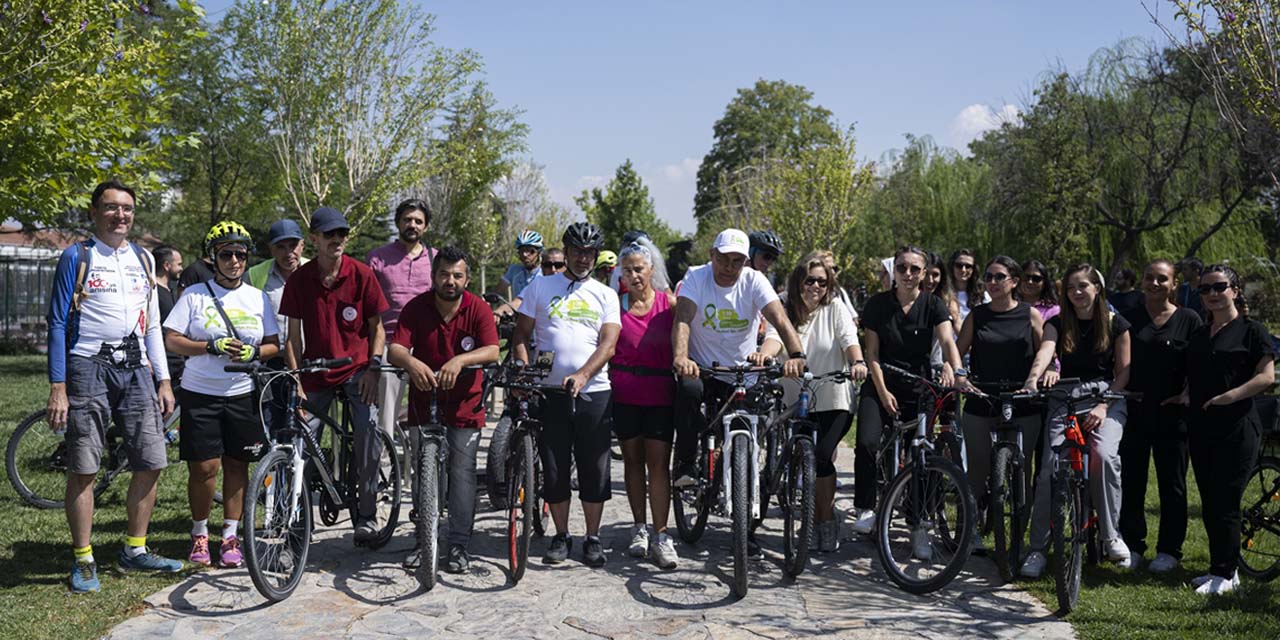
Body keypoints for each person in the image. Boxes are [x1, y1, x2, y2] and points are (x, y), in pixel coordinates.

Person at [46, 179, 180, 593]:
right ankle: (84, 559)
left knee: (152, 459)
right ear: (94, 212)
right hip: (88, 365)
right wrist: (58, 385)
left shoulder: (142, 259)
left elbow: (153, 324)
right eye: (111, 207)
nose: (120, 215)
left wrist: (163, 377)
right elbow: (55, 322)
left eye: (127, 208)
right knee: (84, 465)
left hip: (137, 366)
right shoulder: (77, 256)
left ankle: (135, 550)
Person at [671, 229, 808, 556]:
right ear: (712, 255)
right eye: (723, 259)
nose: (728, 267)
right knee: (688, 391)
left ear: (745, 262)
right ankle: (688, 464)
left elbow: (779, 318)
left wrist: (797, 354)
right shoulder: (696, 277)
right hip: (705, 369)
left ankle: (745, 526)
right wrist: (681, 357)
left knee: (749, 443)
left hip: (742, 375)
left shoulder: (754, 281)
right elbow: (684, 318)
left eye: (736, 261)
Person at [162, 222, 280, 568]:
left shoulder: (256, 298)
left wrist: (254, 353)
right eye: (226, 254)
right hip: (201, 392)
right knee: (203, 467)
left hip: (242, 393)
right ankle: (200, 533)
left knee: (236, 464)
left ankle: (230, 535)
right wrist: (207, 346)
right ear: (213, 258)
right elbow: (171, 338)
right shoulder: (195, 295)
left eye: (240, 255)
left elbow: (274, 344)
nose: (233, 261)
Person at [511, 222, 621, 567]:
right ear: (567, 251)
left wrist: (584, 374)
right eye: (577, 252)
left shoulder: (605, 294)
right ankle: (561, 534)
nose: (583, 258)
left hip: (594, 392)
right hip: (549, 391)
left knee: (594, 467)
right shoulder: (541, 286)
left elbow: (609, 343)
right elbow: (520, 335)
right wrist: (524, 369)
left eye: (589, 253)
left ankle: (592, 537)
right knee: (555, 467)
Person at [279, 206, 390, 543]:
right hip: (315, 371)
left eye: (342, 234)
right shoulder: (300, 279)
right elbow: (292, 337)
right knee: (297, 443)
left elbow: (378, 328)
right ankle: (294, 528)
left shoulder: (362, 274)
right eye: (329, 235)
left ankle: (367, 516)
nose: (337, 240)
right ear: (313, 239)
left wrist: (373, 366)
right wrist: (295, 379)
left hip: (357, 370)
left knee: (368, 434)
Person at [387, 246, 500, 574]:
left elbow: (493, 351)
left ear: (465, 278)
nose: (450, 281)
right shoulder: (416, 307)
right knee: (424, 470)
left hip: (465, 403)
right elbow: (395, 349)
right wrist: (411, 362)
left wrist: (461, 360)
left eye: (457, 275)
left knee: (462, 474)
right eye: (444, 274)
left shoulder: (478, 308)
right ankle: (425, 541)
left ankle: (460, 542)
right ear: (434, 276)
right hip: (425, 402)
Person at [1021, 264, 1132, 578]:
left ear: (1097, 288)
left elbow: (1124, 372)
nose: (1077, 292)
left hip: (1106, 397)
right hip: (1066, 396)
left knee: (1104, 456)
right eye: (1071, 287)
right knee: (1049, 470)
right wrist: (1033, 379)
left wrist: (1104, 405)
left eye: (1083, 286)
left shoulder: (1116, 323)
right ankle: (1038, 549)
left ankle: (1111, 536)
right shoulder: (1057, 322)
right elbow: (1045, 351)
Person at [852, 246, 965, 544]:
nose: (908, 274)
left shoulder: (934, 305)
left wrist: (956, 370)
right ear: (894, 271)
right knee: (866, 441)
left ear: (925, 274)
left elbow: (947, 340)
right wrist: (882, 390)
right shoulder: (877, 305)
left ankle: (918, 524)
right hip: (881, 382)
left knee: (922, 454)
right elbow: (872, 354)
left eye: (915, 269)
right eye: (902, 268)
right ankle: (865, 507)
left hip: (918, 386)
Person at [759, 256, 868, 552]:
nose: (816, 286)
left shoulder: (835, 308)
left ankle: (825, 520)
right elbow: (774, 338)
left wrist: (857, 361)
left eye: (822, 281)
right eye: (810, 280)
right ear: (798, 282)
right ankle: (804, 509)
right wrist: (765, 356)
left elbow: (849, 339)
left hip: (834, 395)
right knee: (801, 453)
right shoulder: (784, 308)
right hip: (796, 397)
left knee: (822, 456)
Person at [1181, 265, 1274, 594]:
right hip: (1201, 425)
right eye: (1205, 289)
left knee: (1226, 499)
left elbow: (1266, 377)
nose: (1211, 295)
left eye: (1219, 287)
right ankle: (1217, 567)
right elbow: (1196, 375)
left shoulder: (1252, 331)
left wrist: (1227, 397)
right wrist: (1185, 395)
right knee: (1209, 500)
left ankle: (1227, 572)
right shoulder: (1200, 333)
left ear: (1235, 290)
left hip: (1238, 426)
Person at [955, 256, 1047, 543]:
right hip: (983, 395)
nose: (992, 283)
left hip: (1022, 398)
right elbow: (957, 352)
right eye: (989, 277)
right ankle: (969, 530)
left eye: (999, 277)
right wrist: (960, 377)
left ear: (1014, 282)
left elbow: (1047, 351)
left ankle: (1019, 535)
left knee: (1023, 466)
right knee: (978, 468)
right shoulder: (977, 315)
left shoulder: (1030, 314)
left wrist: (1044, 375)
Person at [1118, 259, 1201, 574]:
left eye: (1162, 279)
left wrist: (1189, 391)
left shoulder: (1189, 320)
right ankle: (1132, 545)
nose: (1154, 284)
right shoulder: (1128, 319)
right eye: (1149, 278)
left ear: (1174, 283)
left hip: (1173, 416)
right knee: (1132, 481)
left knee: (1173, 484)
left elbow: (1200, 361)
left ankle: (1169, 550)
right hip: (1135, 412)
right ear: (1141, 281)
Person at [609, 239, 680, 568]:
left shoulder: (669, 304)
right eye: (628, 270)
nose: (634, 275)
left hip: (660, 395)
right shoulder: (615, 304)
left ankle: (661, 533)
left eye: (639, 268)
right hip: (624, 394)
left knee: (658, 466)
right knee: (632, 464)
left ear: (651, 269)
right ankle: (639, 528)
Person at [368, 199, 437, 440]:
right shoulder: (377, 258)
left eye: (418, 221)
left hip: (425, 344)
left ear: (425, 227)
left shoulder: (435, 259)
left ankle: (424, 470)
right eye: (407, 220)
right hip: (388, 343)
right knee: (385, 418)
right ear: (398, 222)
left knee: (427, 418)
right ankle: (384, 471)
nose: (412, 225)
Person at [246, 218, 308, 354]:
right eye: (281, 247)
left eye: (293, 245)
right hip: (270, 362)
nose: (288, 253)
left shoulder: (315, 272)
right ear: (271, 249)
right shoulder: (254, 275)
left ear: (302, 245)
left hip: (312, 359)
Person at [152, 245, 185, 386]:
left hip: (177, 363)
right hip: (161, 364)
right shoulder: (153, 292)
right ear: (166, 265)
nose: (182, 268)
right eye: (179, 264)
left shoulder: (171, 290)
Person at [949, 248, 989, 324]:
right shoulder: (943, 293)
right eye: (959, 265)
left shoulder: (983, 296)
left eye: (968, 266)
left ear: (974, 269)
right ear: (952, 266)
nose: (963, 270)